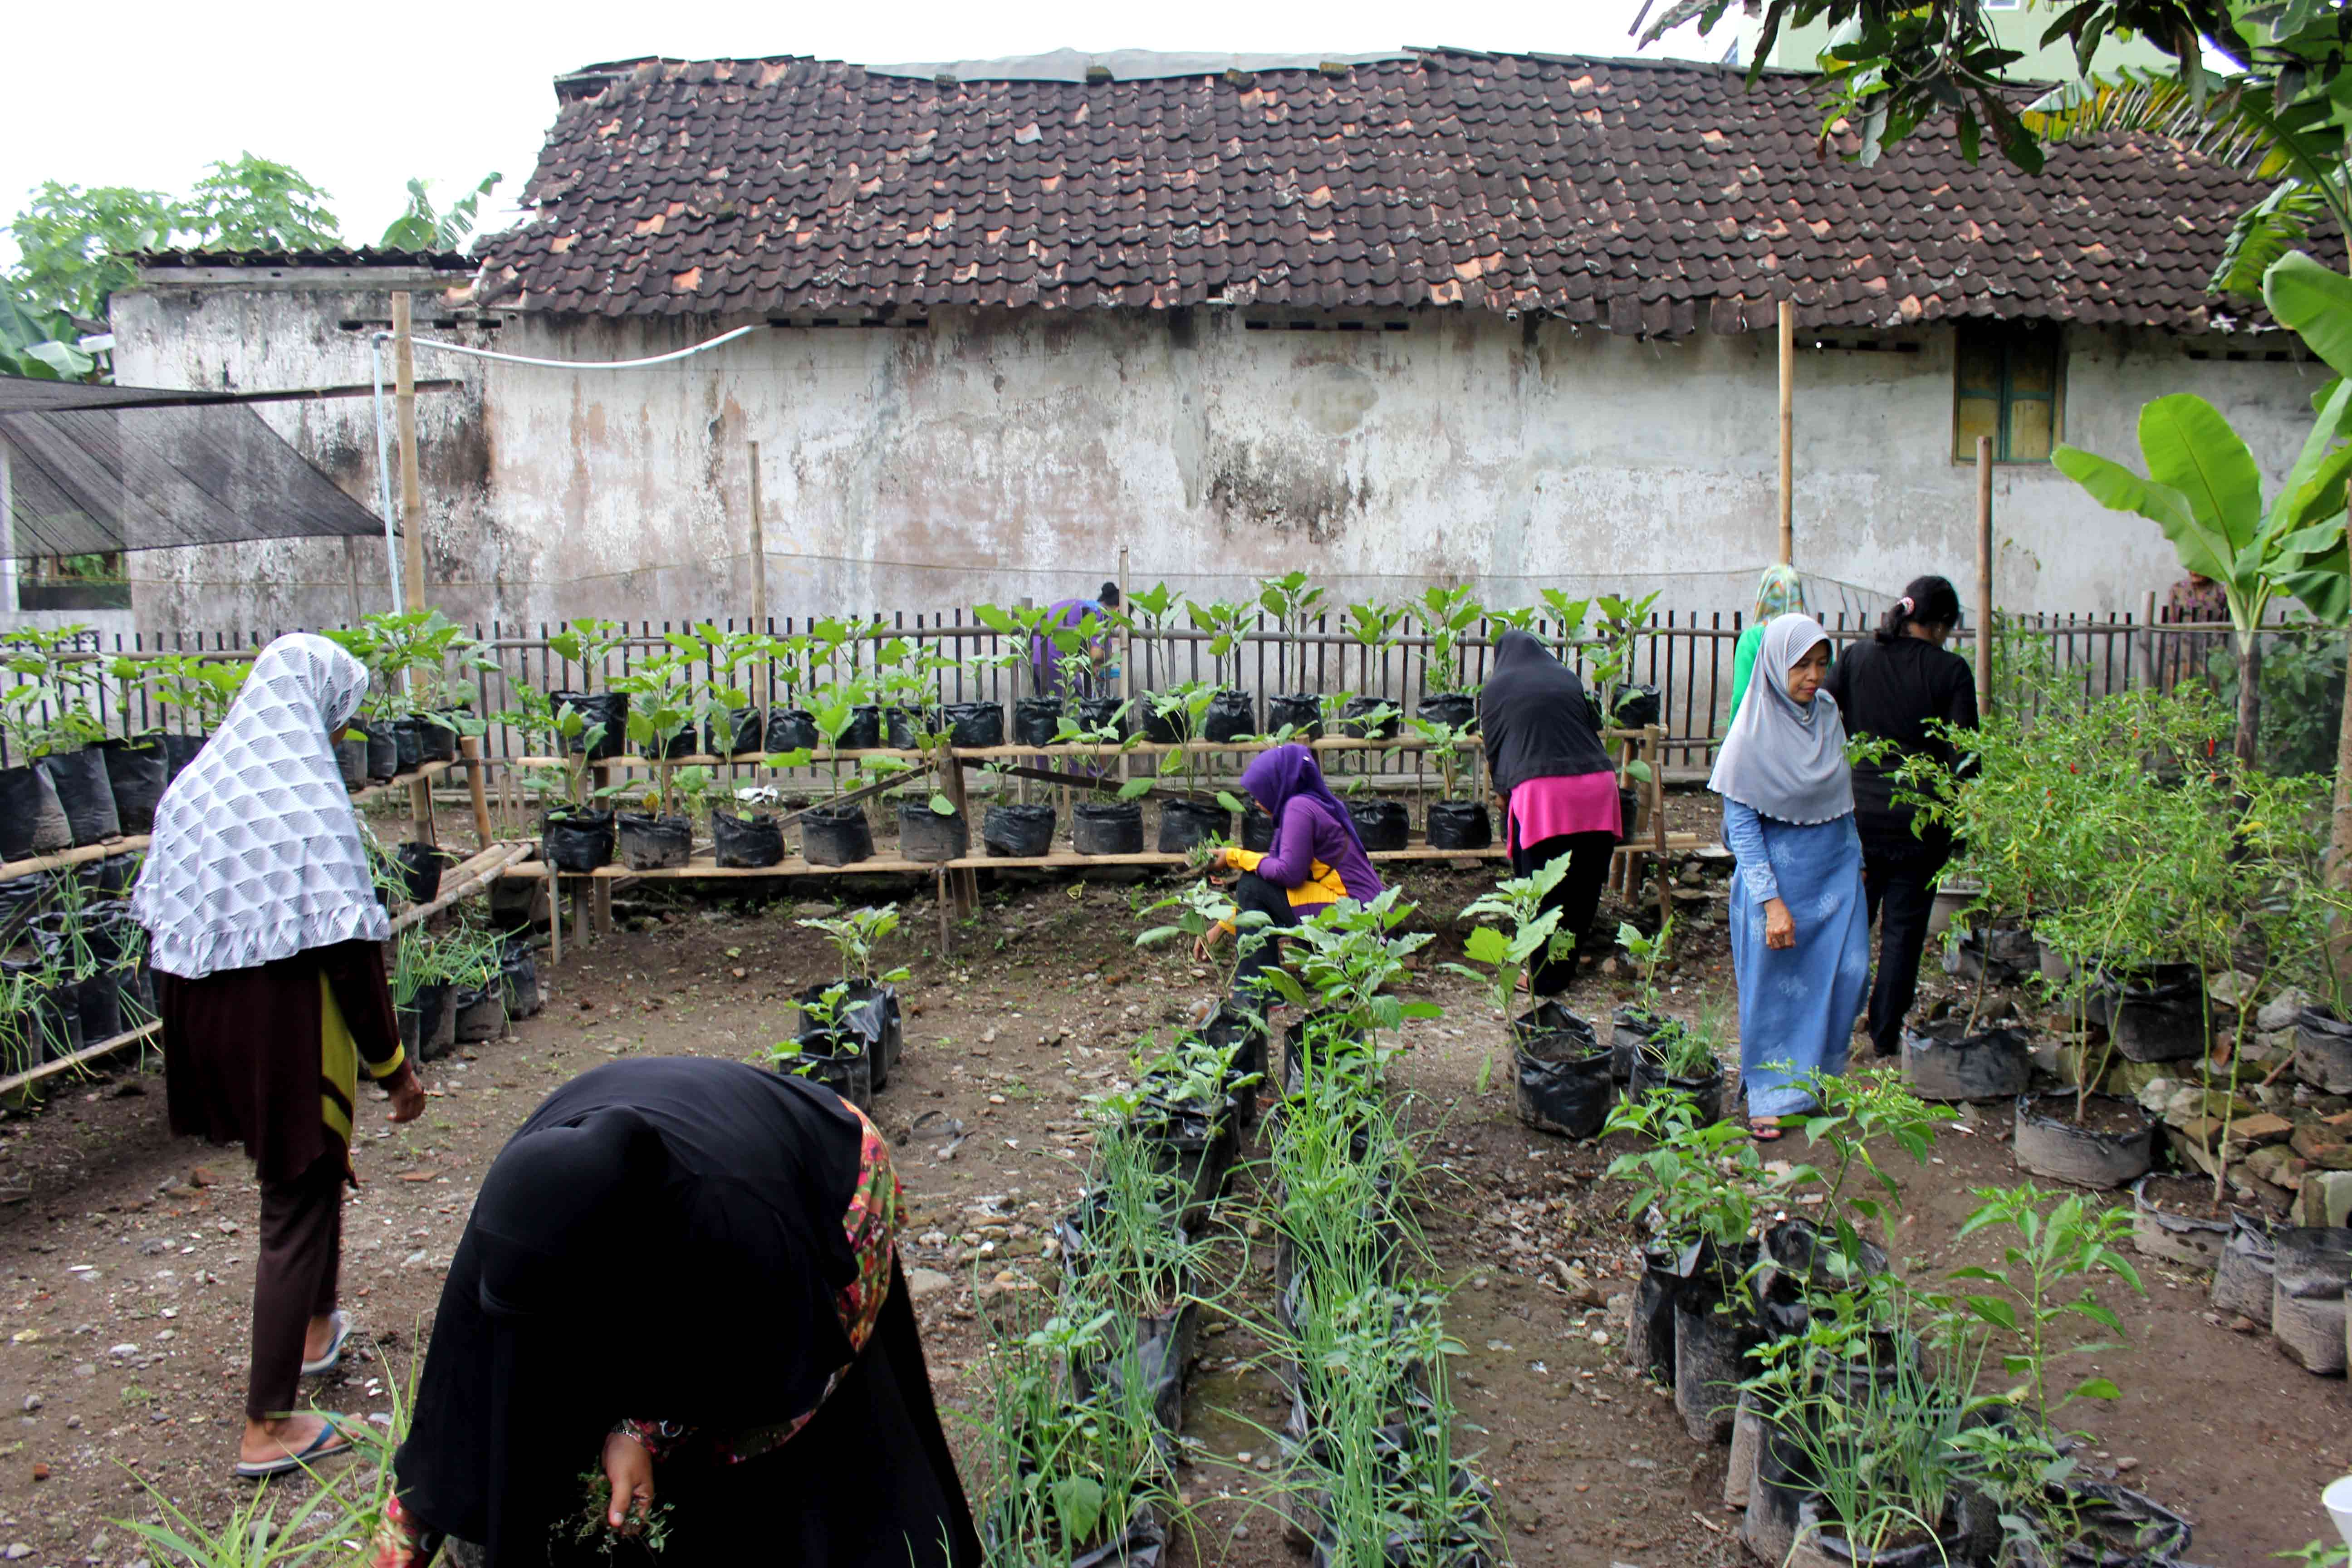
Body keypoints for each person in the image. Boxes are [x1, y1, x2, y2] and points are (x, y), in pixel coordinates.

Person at [381, 1057, 980, 1568]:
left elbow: (756, 1354)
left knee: (780, 1450)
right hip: (680, 1170)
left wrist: (642, 1430)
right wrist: (407, 1535)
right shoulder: (508, 1233)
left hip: (826, 1189)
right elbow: (454, 1406)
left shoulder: (733, 1228)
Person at [129, 633, 427, 1478]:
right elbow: (348, 951)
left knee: (311, 1170)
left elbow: (157, 919)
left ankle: (313, 1326)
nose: (343, 733)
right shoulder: (304, 798)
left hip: (204, 1018)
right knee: (295, 1197)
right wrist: (393, 1067)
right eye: (343, 716)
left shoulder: (197, 786)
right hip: (286, 1028)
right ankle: (268, 1424)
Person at [1710, 613, 1871, 1140]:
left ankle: (1814, 1083)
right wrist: (1771, 901)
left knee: (1848, 975)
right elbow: (1742, 824)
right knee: (1776, 989)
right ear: (1777, 664)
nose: (1814, 675)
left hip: (1836, 873)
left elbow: (1842, 800)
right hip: (1777, 883)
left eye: (1822, 664)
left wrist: (1858, 863)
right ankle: (1769, 1093)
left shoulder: (1826, 714)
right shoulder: (1751, 730)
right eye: (1802, 664)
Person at [1822, 576, 1979, 1059]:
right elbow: (1968, 756)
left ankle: (1830, 1023)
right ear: (1939, 625)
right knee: (1904, 933)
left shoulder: (1856, 658)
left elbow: (1821, 714)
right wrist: (1966, 815)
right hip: (1922, 821)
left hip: (1858, 815)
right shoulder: (1950, 671)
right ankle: (1885, 1035)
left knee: (1851, 923)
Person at [1478, 628, 1622, 994]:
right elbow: (1593, 724)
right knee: (1583, 886)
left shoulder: (1497, 689)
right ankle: (1561, 966)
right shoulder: (1566, 677)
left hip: (1545, 794)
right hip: (1598, 787)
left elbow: (1495, 747)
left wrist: (1502, 794)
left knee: (1542, 887)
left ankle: (1542, 977)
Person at [1196, 744, 1383, 993]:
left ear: (1277, 785)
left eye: (1260, 792)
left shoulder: (1299, 808)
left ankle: (1256, 993)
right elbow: (1278, 883)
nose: (1256, 801)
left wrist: (1234, 857)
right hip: (1364, 922)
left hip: (1354, 915)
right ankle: (1272, 983)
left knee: (1253, 884)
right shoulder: (1308, 805)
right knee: (1258, 883)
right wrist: (1220, 928)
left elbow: (1288, 875)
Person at [1729, 564, 1810, 718]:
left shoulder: (1752, 639)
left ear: (1764, 593)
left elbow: (1741, 695)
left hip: (1763, 725)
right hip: (1804, 727)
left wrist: (1733, 734)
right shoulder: (1810, 637)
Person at [1031, 580, 1122, 699]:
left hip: (1033, 654)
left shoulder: (1083, 605)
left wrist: (1093, 666)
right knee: (1072, 707)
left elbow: (1084, 652)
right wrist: (1117, 658)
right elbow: (1094, 652)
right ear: (1118, 611)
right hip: (1053, 658)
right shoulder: (1101, 615)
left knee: (1044, 709)